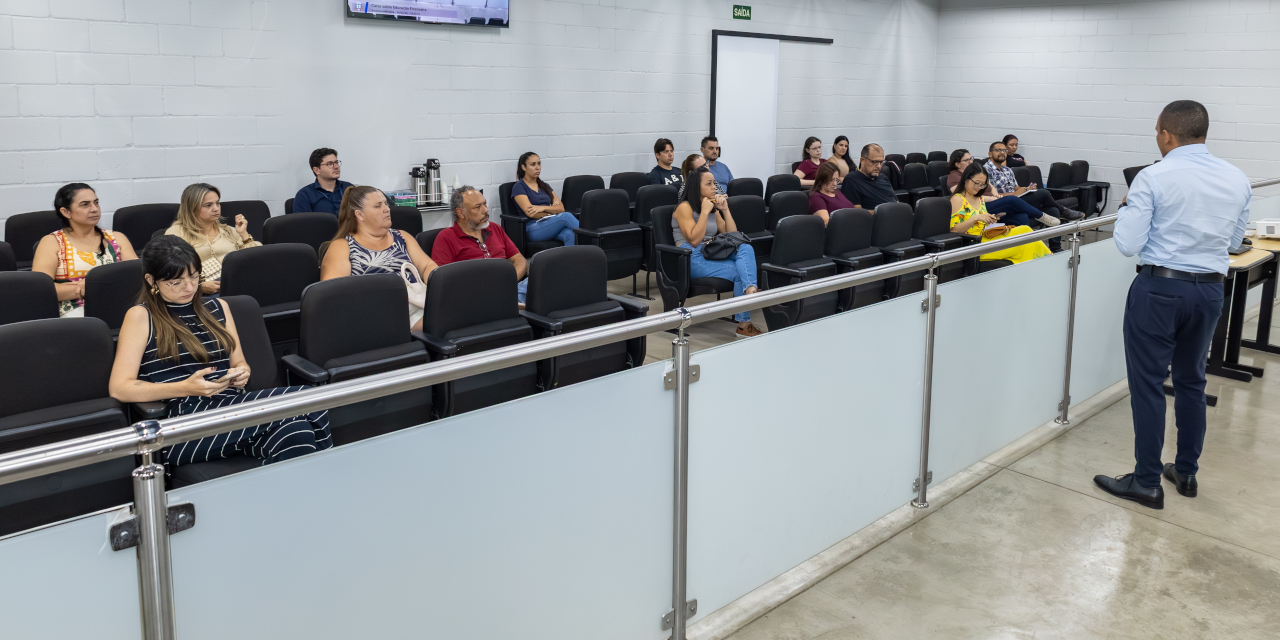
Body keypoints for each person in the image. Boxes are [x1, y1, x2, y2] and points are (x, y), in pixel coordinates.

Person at [1094, 100, 1251, 510]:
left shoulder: (1153, 176)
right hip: (1210, 291)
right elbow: (1235, 241)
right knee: (1192, 381)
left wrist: (1127, 211)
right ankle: (1186, 472)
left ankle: (1146, 482)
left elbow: (1127, 244)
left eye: (1157, 133)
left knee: (1148, 384)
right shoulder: (1236, 178)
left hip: (1159, 290)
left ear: (1166, 133)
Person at [109, 235, 332, 472]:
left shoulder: (219, 307)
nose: (189, 287)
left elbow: (240, 363)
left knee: (296, 432)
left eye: (194, 276)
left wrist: (241, 374)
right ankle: (330, 478)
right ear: (151, 280)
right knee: (307, 399)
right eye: (176, 282)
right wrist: (185, 387)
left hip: (231, 406)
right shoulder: (141, 316)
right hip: (185, 423)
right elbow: (119, 388)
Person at [320, 185, 438, 329]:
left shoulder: (402, 237)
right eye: (378, 206)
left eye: (386, 204)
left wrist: (438, 289)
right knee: (445, 321)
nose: (387, 209)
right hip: (375, 317)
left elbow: (427, 266)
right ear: (360, 215)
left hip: (417, 306)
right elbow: (332, 296)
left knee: (452, 313)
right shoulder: (342, 247)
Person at [673, 166, 762, 338]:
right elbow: (694, 240)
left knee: (745, 247)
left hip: (710, 250)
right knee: (739, 272)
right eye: (709, 184)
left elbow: (733, 236)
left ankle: (750, 289)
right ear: (696, 187)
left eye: (714, 183)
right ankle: (744, 324)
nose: (714, 187)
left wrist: (725, 209)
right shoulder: (684, 207)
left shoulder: (712, 207)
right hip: (689, 256)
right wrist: (704, 212)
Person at [32, 183, 138, 317]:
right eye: (85, 205)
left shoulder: (117, 238)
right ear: (66, 212)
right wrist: (83, 289)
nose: (94, 209)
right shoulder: (51, 242)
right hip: (75, 312)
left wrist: (94, 286)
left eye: (96, 203)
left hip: (120, 306)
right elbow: (40, 289)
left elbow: (136, 277)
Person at [432, 186, 531, 303]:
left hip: (508, 287)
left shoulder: (495, 228)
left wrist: (509, 281)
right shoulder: (446, 238)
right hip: (476, 297)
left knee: (542, 279)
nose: (485, 210)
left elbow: (519, 259)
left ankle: (515, 303)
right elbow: (442, 281)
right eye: (477, 207)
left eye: (485, 204)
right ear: (460, 213)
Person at [165, 183, 261, 295]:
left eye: (217, 203)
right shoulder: (176, 233)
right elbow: (169, 272)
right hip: (196, 294)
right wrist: (198, 287)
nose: (216, 209)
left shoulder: (229, 231)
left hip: (235, 286)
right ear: (192, 208)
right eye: (208, 205)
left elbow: (255, 260)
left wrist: (244, 234)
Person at [948, 164, 1051, 264]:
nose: (979, 187)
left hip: (986, 237)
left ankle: (1046, 260)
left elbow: (980, 224)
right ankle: (1045, 262)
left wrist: (991, 219)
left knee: (1025, 229)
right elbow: (954, 230)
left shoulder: (979, 198)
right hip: (974, 244)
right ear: (966, 179)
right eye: (977, 183)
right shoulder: (957, 199)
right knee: (1023, 244)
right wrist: (975, 218)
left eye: (983, 184)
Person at [945, 148, 1060, 233]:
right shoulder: (955, 178)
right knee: (1013, 199)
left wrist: (995, 194)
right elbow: (965, 195)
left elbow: (990, 186)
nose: (971, 161)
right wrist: (993, 198)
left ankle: (1053, 247)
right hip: (985, 210)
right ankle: (1042, 216)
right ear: (957, 164)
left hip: (988, 209)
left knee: (1024, 215)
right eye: (967, 160)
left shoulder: (977, 174)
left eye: (971, 158)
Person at [985, 141, 1080, 221]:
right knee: (1043, 193)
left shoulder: (1007, 170)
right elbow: (989, 195)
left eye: (1004, 150)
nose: (1002, 152)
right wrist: (1014, 194)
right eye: (998, 150)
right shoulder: (985, 170)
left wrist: (1026, 189)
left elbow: (1015, 187)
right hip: (1002, 203)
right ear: (990, 154)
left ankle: (1054, 238)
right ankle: (1063, 211)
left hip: (1017, 199)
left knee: (1053, 210)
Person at [511, 152, 579, 247]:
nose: (537, 167)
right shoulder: (519, 187)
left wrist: (542, 208)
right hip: (532, 228)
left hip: (550, 223)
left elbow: (561, 208)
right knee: (566, 216)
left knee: (569, 234)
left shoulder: (545, 186)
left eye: (539, 164)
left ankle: (573, 257)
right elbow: (531, 213)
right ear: (523, 167)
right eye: (533, 164)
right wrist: (552, 213)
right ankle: (592, 239)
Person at [294, 148, 352, 214]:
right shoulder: (304, 195)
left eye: (336, 162)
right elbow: (304, 220)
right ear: (316, 170)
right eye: (329, 164)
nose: (336, 167)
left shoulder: (349, 188)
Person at [840, 143, 898, 210]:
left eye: (881, 162)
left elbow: (897, 202)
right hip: (878, 216)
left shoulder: (883, 178)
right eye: (874, 162)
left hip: (895, 214)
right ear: (862, 160)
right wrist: (886, 212)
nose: (879, 166)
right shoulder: (852, 180)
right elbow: (857, 213)